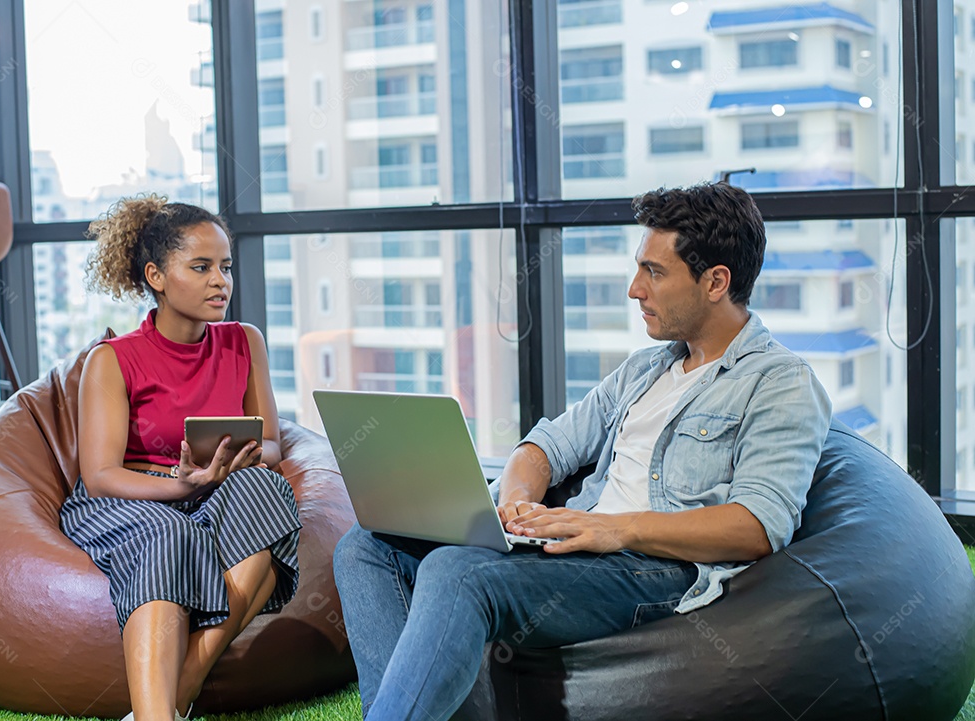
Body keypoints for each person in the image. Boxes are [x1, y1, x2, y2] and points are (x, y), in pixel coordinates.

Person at [333, 182, 832, 720]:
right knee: (366, 543)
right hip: (579, 547)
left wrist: (618, 529)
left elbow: (759, 525)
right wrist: (519, 504)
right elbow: (544, 447)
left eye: (654, 272)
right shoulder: (645, 369)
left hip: (652, 568)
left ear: (715, 282)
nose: (634, 289)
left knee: (457, 572)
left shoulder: (779, 381)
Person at [60, 195, 301, 721]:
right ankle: (157, 713)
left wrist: (242, 462)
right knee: (173, 532)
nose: (221, 281)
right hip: (132, 496)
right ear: (157, 276)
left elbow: (275, 443)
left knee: (269, 491)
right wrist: (180, 486)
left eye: (225, 267)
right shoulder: (113, 358)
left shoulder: (244, 342)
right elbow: (99, 476)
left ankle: (181, 689)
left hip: (213, 489)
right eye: (201, 267)